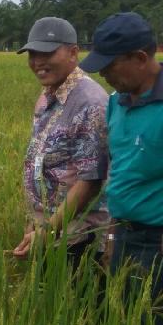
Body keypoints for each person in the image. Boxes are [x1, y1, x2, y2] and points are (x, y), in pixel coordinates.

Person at [79, 12, 163, 325]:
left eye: (110, 65)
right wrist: (112, 234)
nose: (103, 74)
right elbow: (120, 172)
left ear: (140, 57)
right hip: (124, 234)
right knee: (122, 318)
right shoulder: (116, 102)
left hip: (157, 239)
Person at [12, 17, 110, 269]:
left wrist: (47, 231)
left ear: (73, 52)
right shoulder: (48, 96)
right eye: (32, 54)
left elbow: (89, 181)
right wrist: (36, 223)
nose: (37, 62)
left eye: (47, 52)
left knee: (75, 304)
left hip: (79, 237)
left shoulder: (90, 102)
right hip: (49, 230)